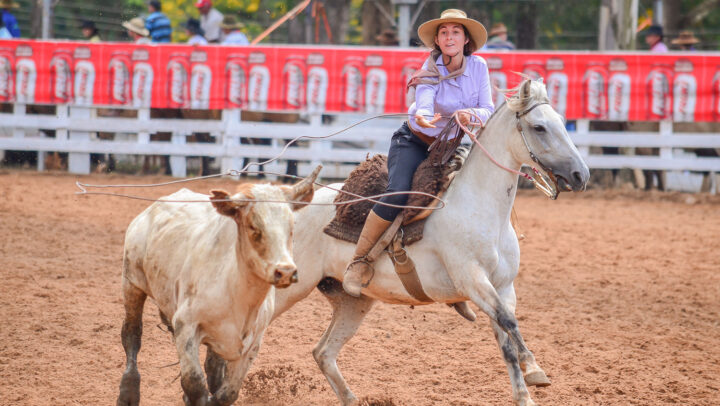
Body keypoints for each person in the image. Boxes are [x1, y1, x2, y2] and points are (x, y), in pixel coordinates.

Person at [342, 9, 494, 296]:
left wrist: (469, 113)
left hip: (448, 148)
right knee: (397, 194)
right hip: (414, 141)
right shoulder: (429, 69)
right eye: (444, 32)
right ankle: (358, 262)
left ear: (465, 39)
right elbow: (423, 102)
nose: (449, 37)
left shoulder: (479, 68)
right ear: (437, 40)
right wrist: (424, 115)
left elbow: (487, 109)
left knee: (467, 199)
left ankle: (455, 272)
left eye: (455, 32)